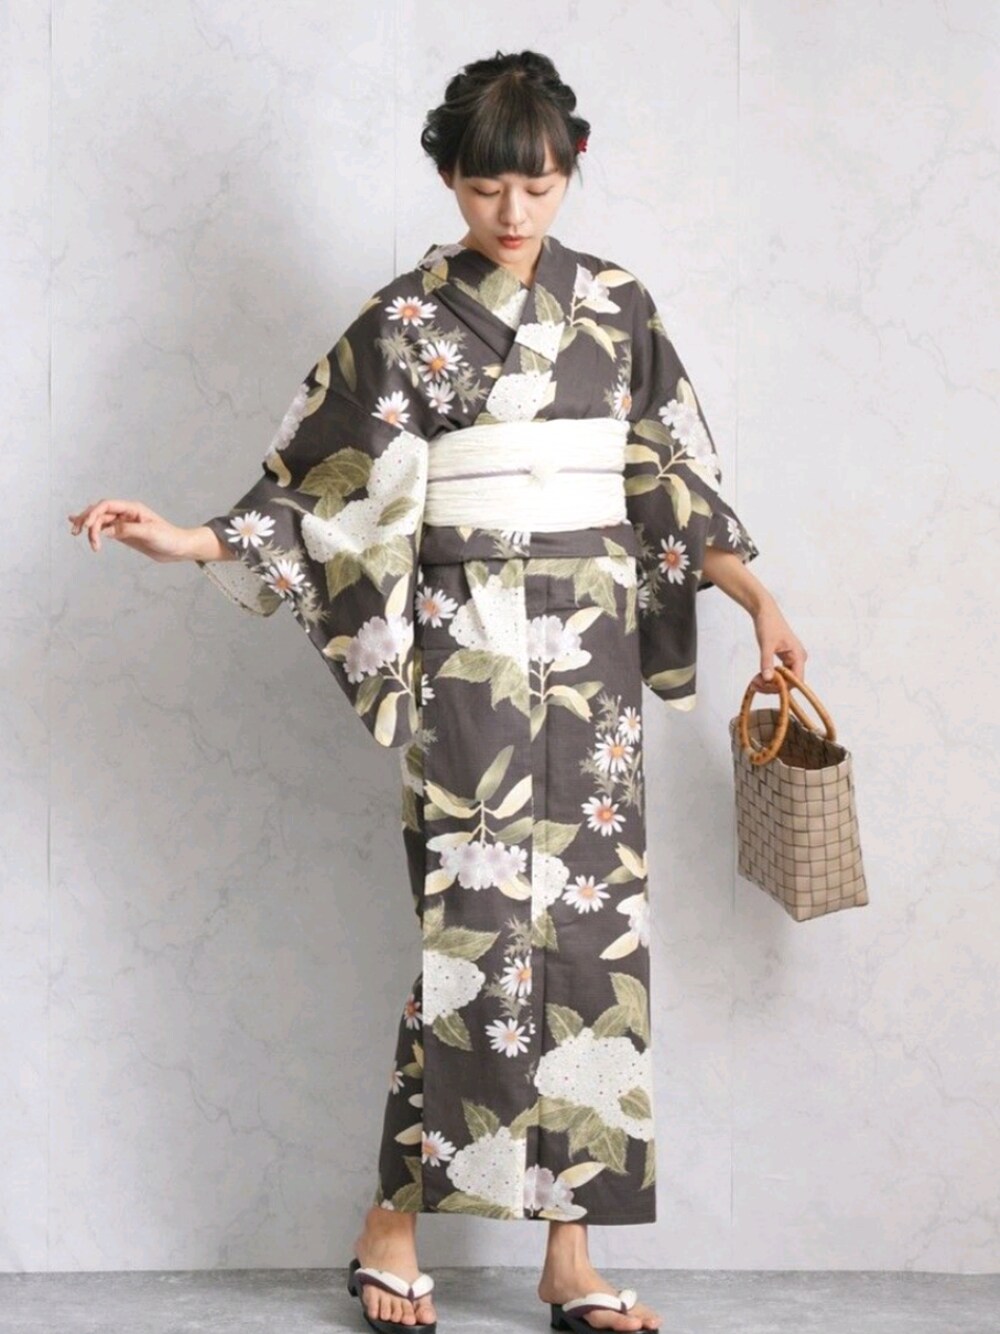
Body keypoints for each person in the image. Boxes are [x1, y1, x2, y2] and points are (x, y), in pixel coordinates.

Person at [67, 47, 805, 1334]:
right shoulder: (402, 321)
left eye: (536, 186)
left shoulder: (618, 308)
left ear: (572, 169)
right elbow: (324, 485)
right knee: (472, 930)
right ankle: (391, 1220)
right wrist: (190, 539)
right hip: (466, 649)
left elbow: (667, 484)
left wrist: (757, 601)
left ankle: (569, 1255)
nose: (511, 214)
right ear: (447, 178)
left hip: (592, 652)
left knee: (595, 938)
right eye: (482, 188)